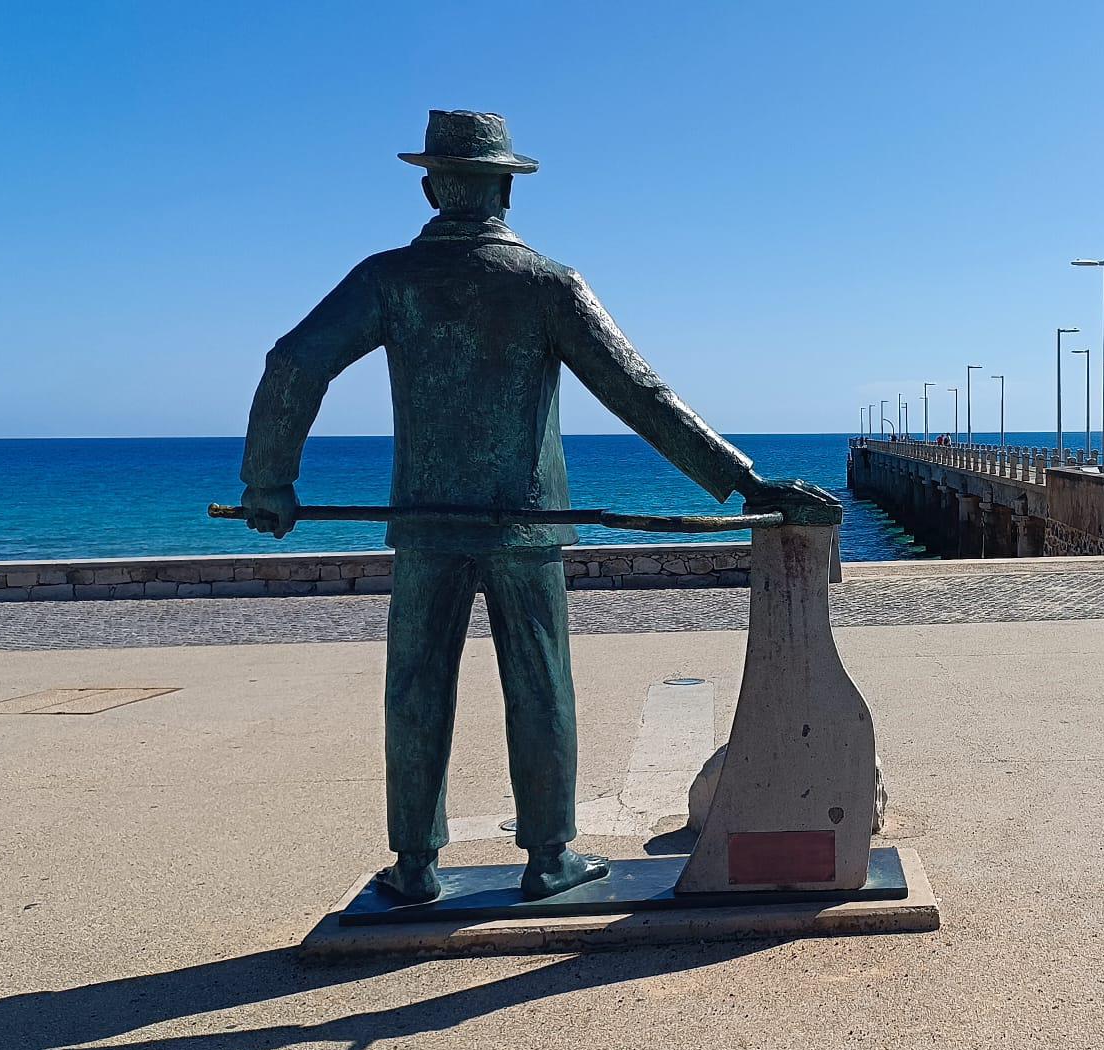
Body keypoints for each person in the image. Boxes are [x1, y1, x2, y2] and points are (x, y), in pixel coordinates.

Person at [238, 110, 831, 904]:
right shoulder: (547, 282)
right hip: (527, 524)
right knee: (541, 684)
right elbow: (640, 395)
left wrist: (269, 481)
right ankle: (548, 857)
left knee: (415, 690)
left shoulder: (386, 279)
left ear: (429, 186)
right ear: (506, 193)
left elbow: (293, 362)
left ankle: (415, 866)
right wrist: (745, 483)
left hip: (426, 523)